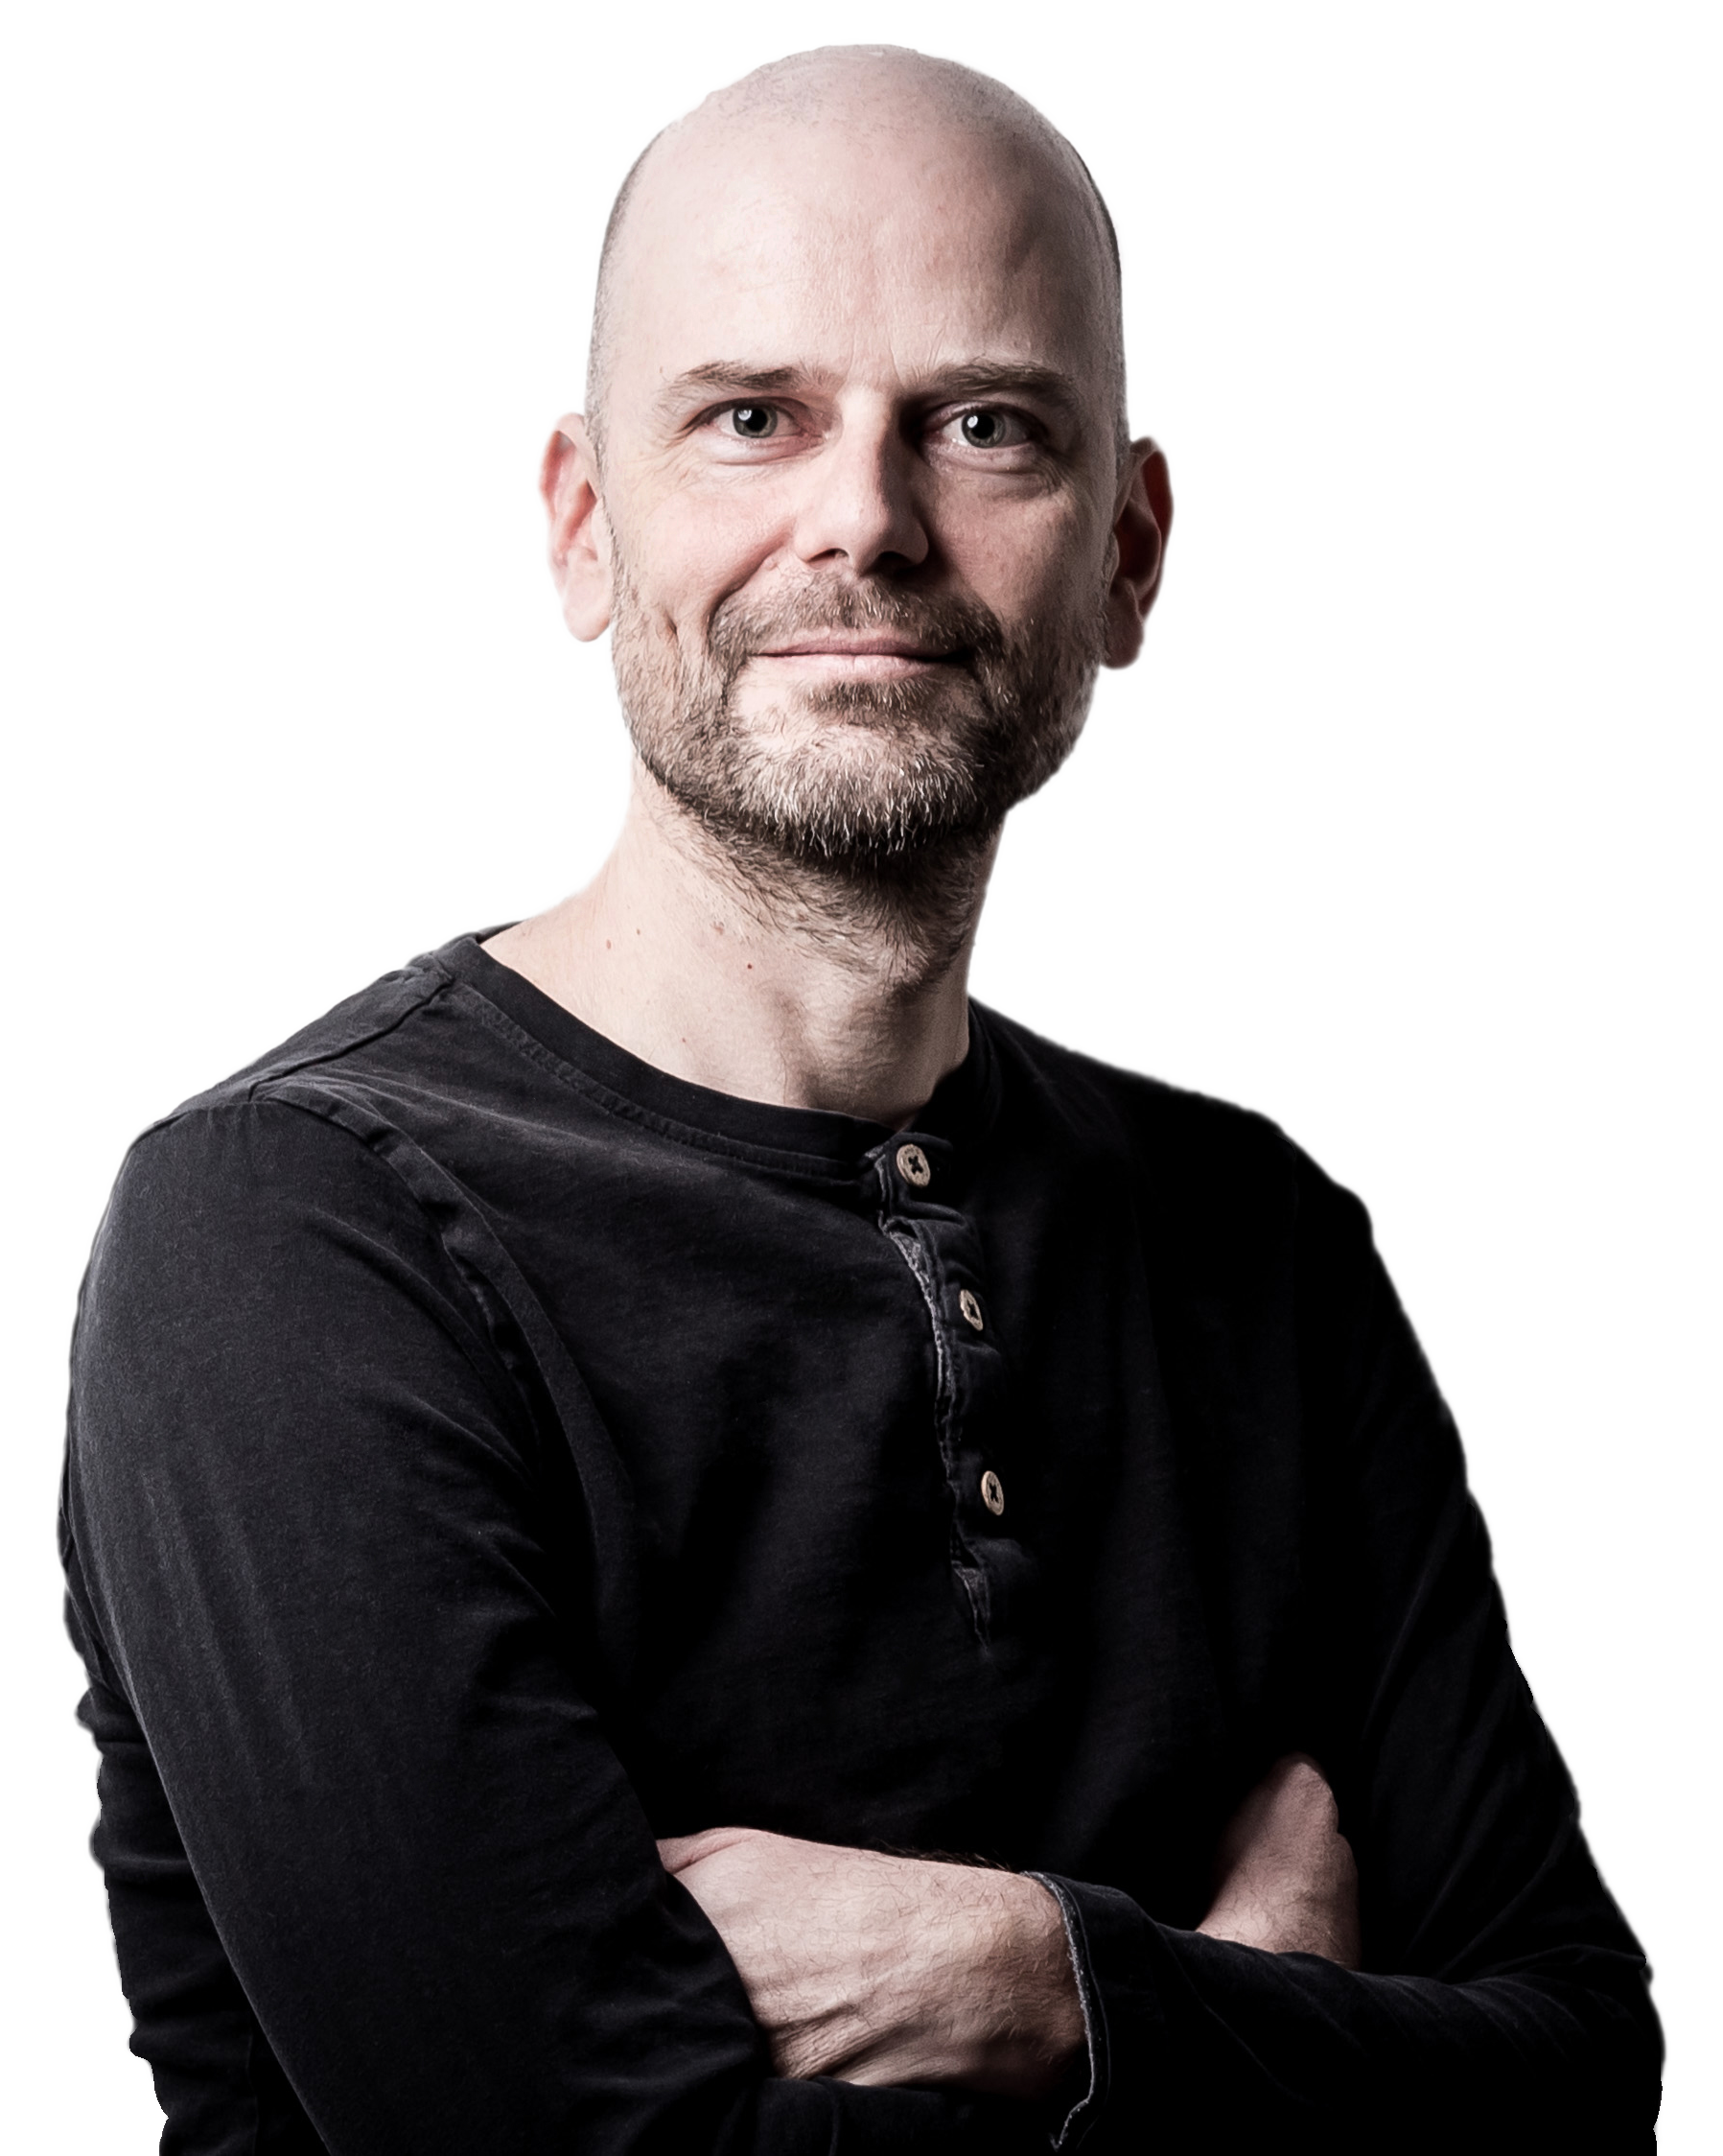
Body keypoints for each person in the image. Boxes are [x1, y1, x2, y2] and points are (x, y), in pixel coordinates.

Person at [56, 40, 1664, 2153]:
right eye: (753, 417)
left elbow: (1586, 2081)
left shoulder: (1260, 1237)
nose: (867, 525)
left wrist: (1047, 1984)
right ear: (581, 529)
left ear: (1131, 552)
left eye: (983, 425)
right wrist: (1262, 2012)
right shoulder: (288, 1233)